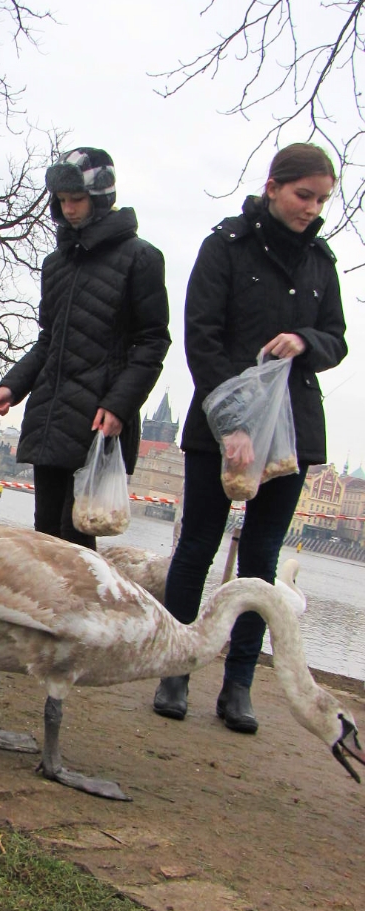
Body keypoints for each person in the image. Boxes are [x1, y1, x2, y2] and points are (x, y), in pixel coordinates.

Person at [153, 143, 347, 733]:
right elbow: (201, 337)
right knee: (196, 548)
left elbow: (337, 338)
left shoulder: (321, 260)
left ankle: (239, 684)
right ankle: (176, 668)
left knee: (262, 560)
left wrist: (306, 341)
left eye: (322, 200)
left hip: (291, 431)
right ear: (273, 187)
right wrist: (231, 423)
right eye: (303, 196)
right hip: (223, 424)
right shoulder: (225, 247)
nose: (312, 209)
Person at [0, 147, 170, 548]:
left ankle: (75, 612)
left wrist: (121, 406)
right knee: (46, 533)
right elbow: (48, 340)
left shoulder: (142, 258)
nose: (68, 209)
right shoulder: (56, 264)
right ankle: (45, 612)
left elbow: (153, 342)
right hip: (52, 413)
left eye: (77, 200)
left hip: (100, 419)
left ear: (101, 197)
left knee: (77, 537)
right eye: (63, 200)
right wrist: (13, 386)